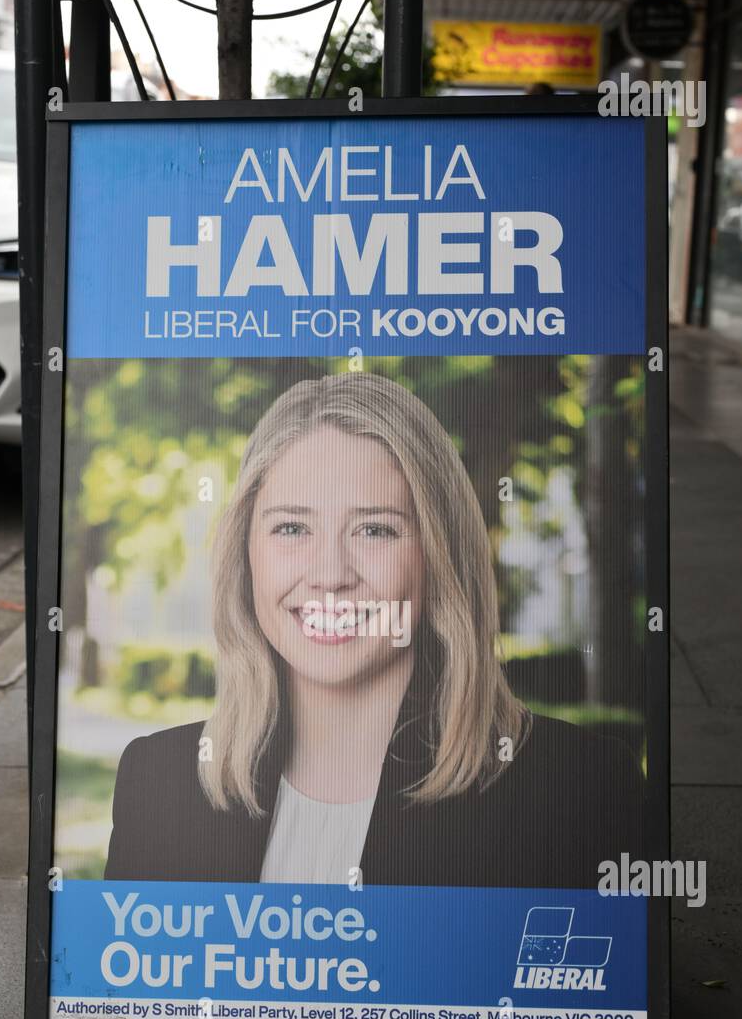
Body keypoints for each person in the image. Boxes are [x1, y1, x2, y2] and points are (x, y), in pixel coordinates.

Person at [105, 372, 643, 888]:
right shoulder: (157, 780)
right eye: (292, 527)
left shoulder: (580, 788)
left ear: (438, 556)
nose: (331, 576)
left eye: (374, 529)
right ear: (245, 556)